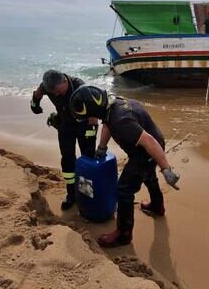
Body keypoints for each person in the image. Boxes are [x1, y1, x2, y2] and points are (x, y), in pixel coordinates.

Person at [69, 85, 180, 248]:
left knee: (124, 190)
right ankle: (157, 206)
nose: (89, 119)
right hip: (152, 142)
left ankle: (123, 234)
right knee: (148, 176)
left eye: (88, 116)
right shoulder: (112, 104)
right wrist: (101, 147)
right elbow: (106, 125)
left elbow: (148, 142)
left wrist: (166, 169)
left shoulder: (121, 120)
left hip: (147, 151)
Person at [30, 70, 97, 210]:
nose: (56, 94)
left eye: (58, 91)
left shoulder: (81, 88)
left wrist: (91, 133)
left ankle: (86, 192)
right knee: (67, 159)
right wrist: (35, 103)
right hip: (65, 124)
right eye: (53, 92)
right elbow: (38, 93)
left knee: (87, 159)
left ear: (65, 81)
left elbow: (93, 113)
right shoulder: (48, 86)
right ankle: (71, 194)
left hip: (84, 124)